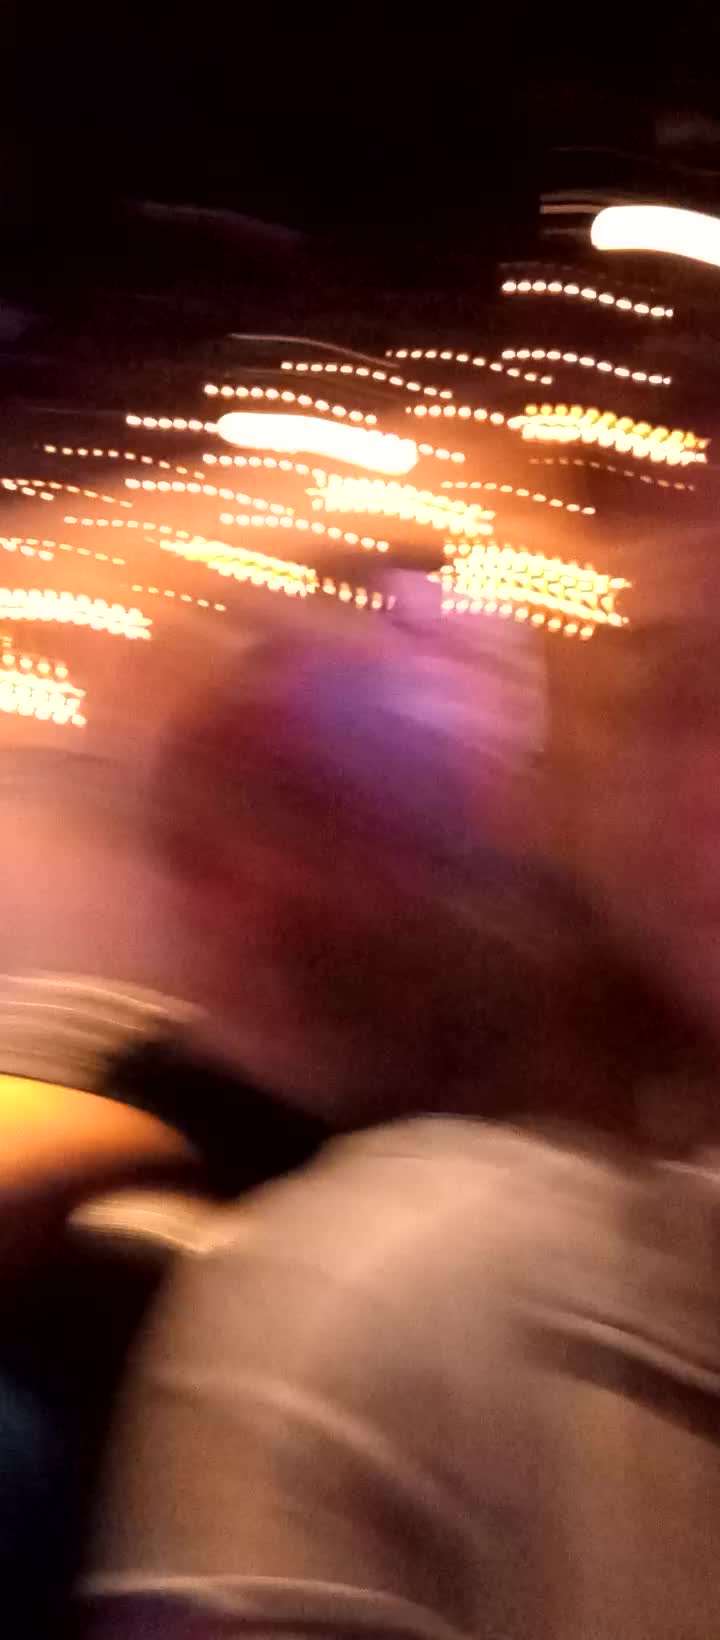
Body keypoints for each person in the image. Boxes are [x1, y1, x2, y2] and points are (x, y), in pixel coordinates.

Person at [75, 617, 720, 1638]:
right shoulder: (140, 1202)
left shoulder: (585, 1152)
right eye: (221, 834)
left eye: (322, 818)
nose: (276, 887)